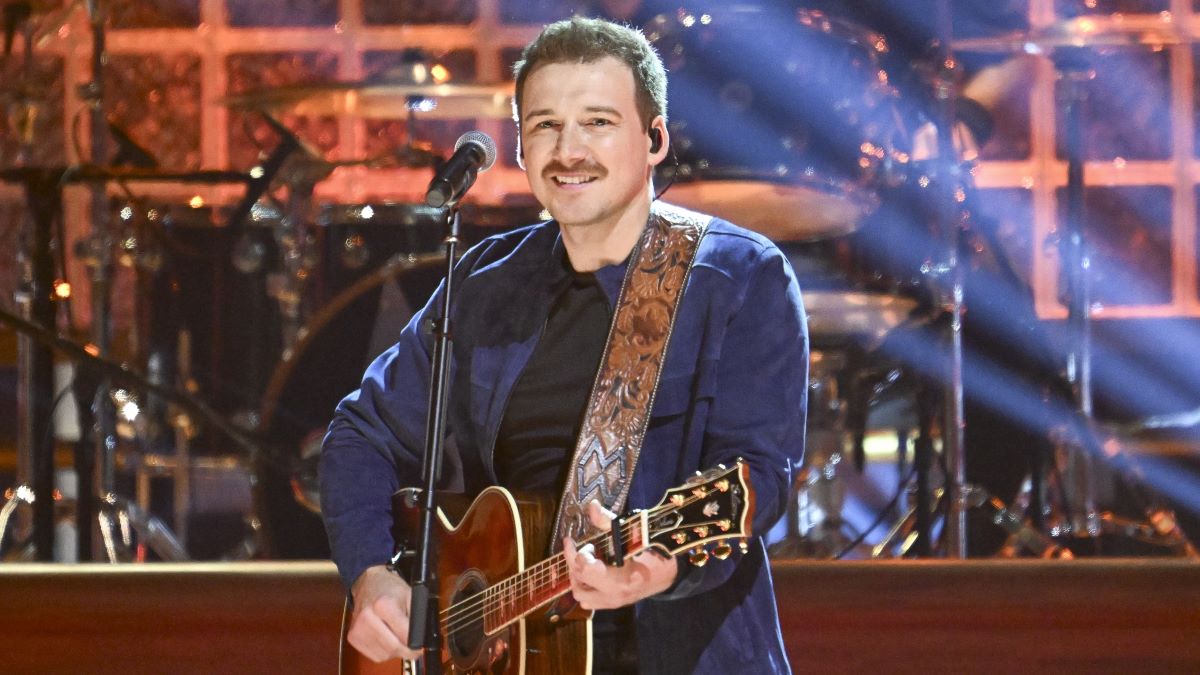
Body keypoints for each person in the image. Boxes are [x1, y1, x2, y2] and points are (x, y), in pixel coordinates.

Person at [319, 16, 808, 674]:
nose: (568, 150)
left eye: (598, 122)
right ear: (520, 148)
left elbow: (757, 477)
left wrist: (659, 569)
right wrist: (371, 573)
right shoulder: (486, 284)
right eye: (545, 125)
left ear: (655, 138)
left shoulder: (738, 278)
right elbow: (360, 430)